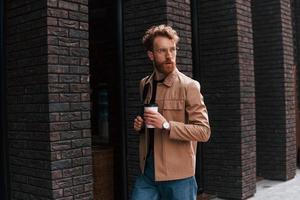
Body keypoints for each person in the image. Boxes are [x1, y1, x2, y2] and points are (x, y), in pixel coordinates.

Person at [132, 24, 211, 200]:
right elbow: (150, 124)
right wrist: (141, 126)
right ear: (151, 55)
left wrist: (166, 125)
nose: (169, 57)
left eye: (173, 50)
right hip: (148, 172)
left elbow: (204, 132)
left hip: (179, 177)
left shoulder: (189, 86)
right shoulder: (144, 84)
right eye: (162, 51)